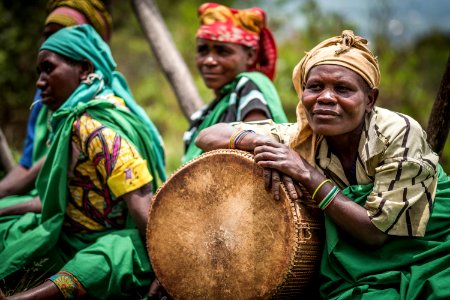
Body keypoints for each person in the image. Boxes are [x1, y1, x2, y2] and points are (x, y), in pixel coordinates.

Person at [195, 30, 450, 299]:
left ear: (370, 100)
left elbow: (376, 233)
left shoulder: (397, 132)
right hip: (359, 266)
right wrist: (263, 145)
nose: (325, 98)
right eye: (314, 87)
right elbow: (208, 135)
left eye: (342, 89)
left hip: (428, 251)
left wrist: (306, 173)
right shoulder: (303, 137)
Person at [0, 24, 167, 299]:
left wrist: (165, 268)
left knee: (114, 253)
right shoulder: (69, 123)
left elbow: (142, 206)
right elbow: (52, 202)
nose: (40, 81)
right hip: (71, 234)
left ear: (84, 69)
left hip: (112, 242)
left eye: (48, 68)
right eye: (38, 72)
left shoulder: (96, 128)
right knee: (11, 223)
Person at [0, 0, 113, 199]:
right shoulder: (43, 99)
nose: (53, 43)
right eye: (48, 35)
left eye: (64, 35)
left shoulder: (104, 105)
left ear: (84, 65)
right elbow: (27, 165)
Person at [182, 2, 288, 163]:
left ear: (251, 56)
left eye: (223, 51)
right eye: (203, 50)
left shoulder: (249, 86)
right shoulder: (203, 114)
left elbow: (257, 148)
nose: (209, 60)